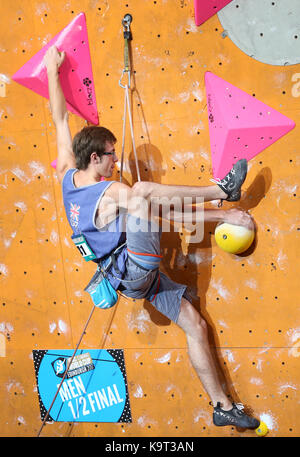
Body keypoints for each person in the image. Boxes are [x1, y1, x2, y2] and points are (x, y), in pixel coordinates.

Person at [43, 45, 260, 430]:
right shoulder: (108, 193)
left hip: (135, 280)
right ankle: (223, 189)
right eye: (110, 155)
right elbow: (159, 208)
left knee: (196, 325)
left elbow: (59, 118)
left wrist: (51, 69)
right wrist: (221, 207)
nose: (115, 161)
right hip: (136, 269)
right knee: (142, 190)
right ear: (95, 158)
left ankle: (221, 406)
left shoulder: (67, 176)